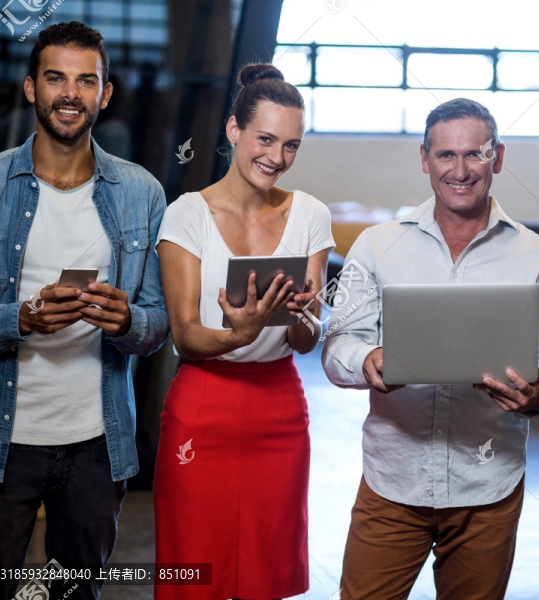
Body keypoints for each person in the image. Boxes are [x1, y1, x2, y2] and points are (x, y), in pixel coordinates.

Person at [0, 22, 169, 599]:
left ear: (104, 95)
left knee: (76, 595)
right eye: (56, 77)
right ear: (32, 87)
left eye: (87, 81)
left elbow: (159, 322)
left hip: (97, 443)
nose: (70, 93)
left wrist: (129, 321)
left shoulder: (142, 193)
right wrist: (21, 319)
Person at [321, 98, 539, 600]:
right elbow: (337, 347)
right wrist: (366, 361)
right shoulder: (376, 246)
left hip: (488, 485)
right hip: (392, 481)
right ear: (424, 158)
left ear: (497, 157)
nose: (460, 170)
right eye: (445, 156)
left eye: (475, 155)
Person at [153, 63, 334, 600]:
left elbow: (305, 338)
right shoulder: (186, 215)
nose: (277, 158)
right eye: (266, 139)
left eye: (292, 146)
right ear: (234, 130)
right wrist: (239, 333)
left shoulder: (311, 216)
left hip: (278, 408)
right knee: (195, 578)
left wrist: (305, 316)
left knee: (267, 576)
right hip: (203, 406)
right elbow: (185, 335)